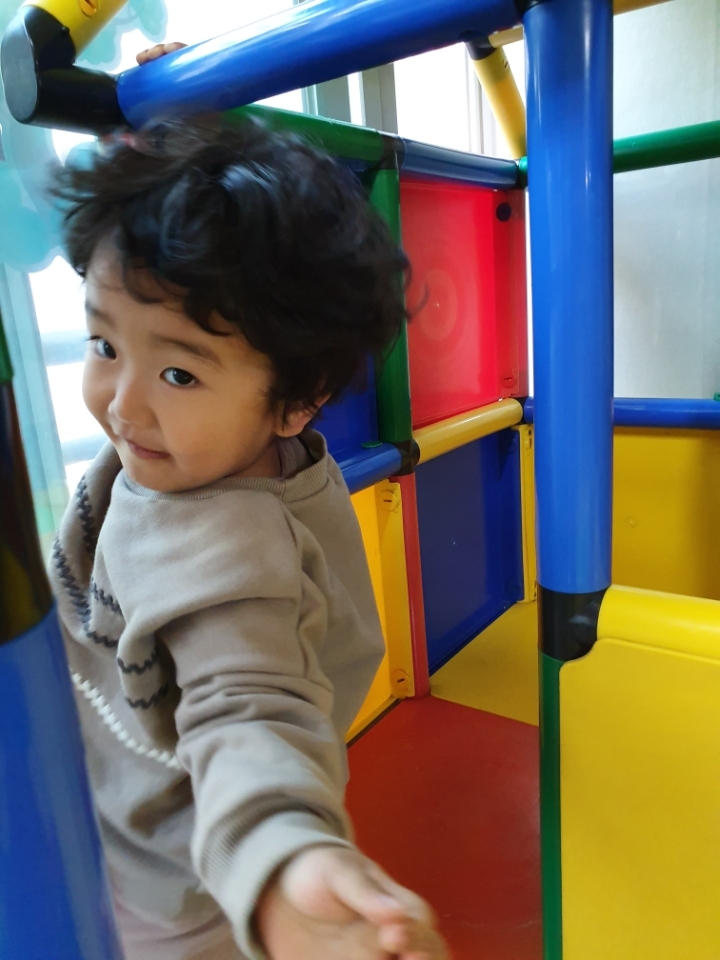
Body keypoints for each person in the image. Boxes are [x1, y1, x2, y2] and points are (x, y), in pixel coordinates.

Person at [49, 41, 448, 960]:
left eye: (179, 372)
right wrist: (163, 134)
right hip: (111, 802)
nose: (123, 404)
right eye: (104, 344)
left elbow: (249, 704)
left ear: (297, 401)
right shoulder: (195, 446)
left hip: (171, 889)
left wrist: (282, 859)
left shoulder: (226, 540)